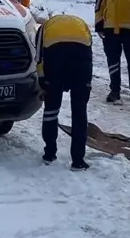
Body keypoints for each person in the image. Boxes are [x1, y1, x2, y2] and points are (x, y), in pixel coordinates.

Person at [35, 12, 93, 170]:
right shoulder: (82, 24)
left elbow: (39, 57)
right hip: (81, 55)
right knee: (79, 111)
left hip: (55, 55)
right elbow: (89, 54)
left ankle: (49, 153)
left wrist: (43, 82)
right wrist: (87, 83)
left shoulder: (44, 27)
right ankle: (78, 161)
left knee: (51, 110)